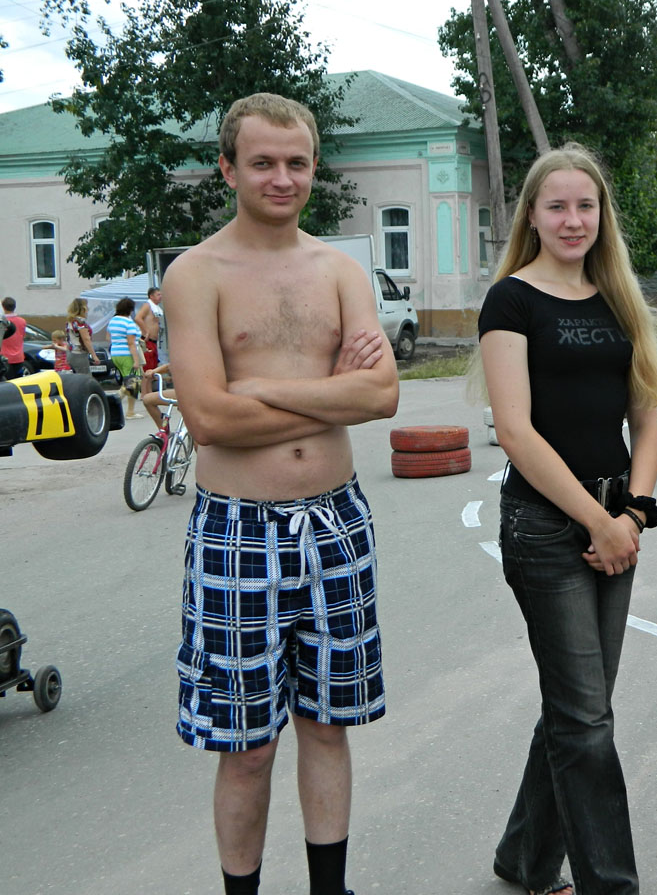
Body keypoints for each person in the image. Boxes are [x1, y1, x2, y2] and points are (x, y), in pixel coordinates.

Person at [163, 92, 399, 895]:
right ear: (228, 169)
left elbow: (381, 396)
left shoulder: (339, 271)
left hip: (337, 521)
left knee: (328, 727)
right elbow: (208, 419)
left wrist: (257, 387)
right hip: (237, 532)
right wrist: (329, 392)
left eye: (296, 162)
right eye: (262, 162)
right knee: (248, 746)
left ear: (314, 168)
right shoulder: (196, 275)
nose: (281, 177)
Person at [476, 143, 657, 895]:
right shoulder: (511, 302)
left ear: (601, 214)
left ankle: (523, 859)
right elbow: (516, 433)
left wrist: (634, 514)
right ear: (532, 214)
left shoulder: (619, 297)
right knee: (586, 718)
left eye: (585, 205)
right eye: (556, 206)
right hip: (547, 527)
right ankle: (610, 886)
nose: (572, 219)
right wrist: (597, 521)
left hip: (616, 520)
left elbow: (646, 419)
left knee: (579, 708)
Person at [107, 297, 146, 418]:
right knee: (133, 381)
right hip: (127, 354)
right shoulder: (129, 323)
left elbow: (108, 337)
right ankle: (116, 401)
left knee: (129, 381)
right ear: (130, 309)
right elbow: (131, 343)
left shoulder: (113, 321)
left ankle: (129, 410)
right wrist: (136, 360)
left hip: (115, 353)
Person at [135, 285, 164, 393]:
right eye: (158, 294)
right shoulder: (147, 305)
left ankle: (149, 392)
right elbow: (138, 318)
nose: (160, 297)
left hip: (154, 341)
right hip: (148, 341)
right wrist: (146, 331)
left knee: (152, 368)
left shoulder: (155, 308)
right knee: (147, 368)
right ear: (151, 296)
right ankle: (144, 393)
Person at [65, 297, 101, 375]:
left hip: (71, 352)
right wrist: (94, 355)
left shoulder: (70, 321)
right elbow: (86, 339)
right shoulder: (80, 322)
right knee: (85, 377)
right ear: (83, 308)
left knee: (77, 377)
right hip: (79, 353)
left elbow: (68, 338)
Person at [1, 296, 27, 380]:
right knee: (18, 382)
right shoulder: (22, 321)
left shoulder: (2, 322)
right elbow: (22, 336)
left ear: (3, 307)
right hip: (19, 357)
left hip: (4, 357)